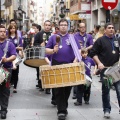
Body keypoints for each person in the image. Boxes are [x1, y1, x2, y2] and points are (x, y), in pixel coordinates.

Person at [46, 18, 81, 120]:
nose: (63, 26)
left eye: (65, 25)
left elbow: (78, 50)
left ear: (68, 26)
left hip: (69, 65)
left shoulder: (72, 37)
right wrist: (53, 50)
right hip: (56, 65)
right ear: (58, 26)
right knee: (58, 89)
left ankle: (63, 107)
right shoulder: (53, 37)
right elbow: (46, 51)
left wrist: (75, 60)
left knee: (67, 89)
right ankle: (61, 111)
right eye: (61, 25)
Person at [90, 22, 120, 119]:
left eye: (112, 28)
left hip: (116, 70)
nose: (111, 29)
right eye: (109, 28)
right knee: (106, 91)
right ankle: (106, 109)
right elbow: (93, 53)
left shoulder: (117, 40)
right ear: (105, 29)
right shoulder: (100, 40)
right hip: (105, 70)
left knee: (119, 90)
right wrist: (99, 63)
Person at [73, 22, 94, 99]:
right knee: (77, 75)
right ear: (79, 28)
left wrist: (85, 50)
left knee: (87, 74)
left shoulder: (89, 36)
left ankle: (86, 93)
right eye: (81, 27)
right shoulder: (75, 36)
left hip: (86, 57)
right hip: (78, 57)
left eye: (84, 27)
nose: (83, 28)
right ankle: (76, 93)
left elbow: (92, 45)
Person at [0, 25, 16, 119]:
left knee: (5, 91)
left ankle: (3, 110)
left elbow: (14, 55)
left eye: (3, 31)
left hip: (6, 70)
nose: (2, 33)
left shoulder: (9, 44)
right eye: (0, 31)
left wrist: (7, 60)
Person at [35, 20, 52, 94]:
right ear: (44, 25)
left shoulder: (52, 34)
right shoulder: (39, 34)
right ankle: (41, 84)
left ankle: (48, 87)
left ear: (50, 26)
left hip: (50, 56)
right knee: (40, 70)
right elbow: (35, 44)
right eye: (46, 25)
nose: (47, 26)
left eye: (49, 25)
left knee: (49, 71)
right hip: (41, 55)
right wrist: (40, 45)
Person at [7, 24, 23, 93]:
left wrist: (15, 48)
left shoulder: (18, 38)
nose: (12, 30)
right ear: (9, 30)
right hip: (8, 57)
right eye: (11, 28)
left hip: (16, 57)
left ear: (15, 29)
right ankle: (9, 84)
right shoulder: (7, 38)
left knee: (16, 72)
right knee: (9, 72)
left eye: (14, 28)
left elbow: (21, 47)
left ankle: (15, 87)